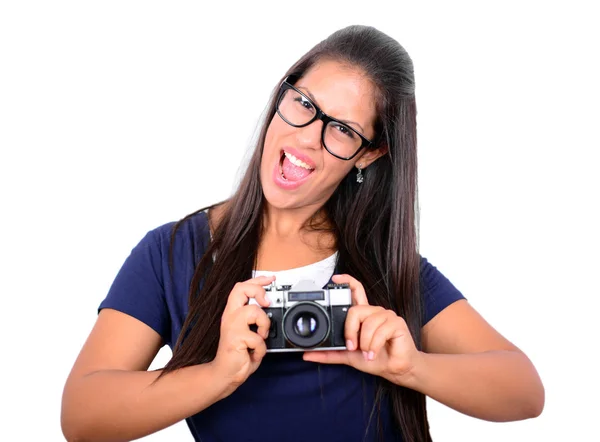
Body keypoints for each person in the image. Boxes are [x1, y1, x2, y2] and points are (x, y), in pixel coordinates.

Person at [61, 25, 544, 442]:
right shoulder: (172, 254)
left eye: (343, 131)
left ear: (369, 155)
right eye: (304, 104)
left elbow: (524, 391)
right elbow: (82, 415)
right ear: (281, 96)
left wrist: (410, 365)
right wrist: (216, 375)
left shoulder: (386, 269)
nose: (307, 138)